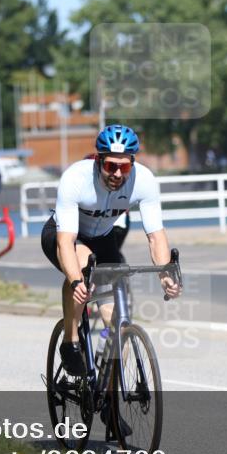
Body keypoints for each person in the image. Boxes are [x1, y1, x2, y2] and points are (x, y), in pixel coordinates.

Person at [41, 124, 181, 377]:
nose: (117, 173)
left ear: (132, 163)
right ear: (98, 160)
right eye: (110, 166)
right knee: (82, 267)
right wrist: (75, 281)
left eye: (124, 166)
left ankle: (110, 393)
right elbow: (66, 242)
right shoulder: (76, 178)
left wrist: (165, 273)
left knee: (117, 323)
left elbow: (156, 236)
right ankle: (70, 343)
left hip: (102, 239)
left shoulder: (144, 180)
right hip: (63, 235)